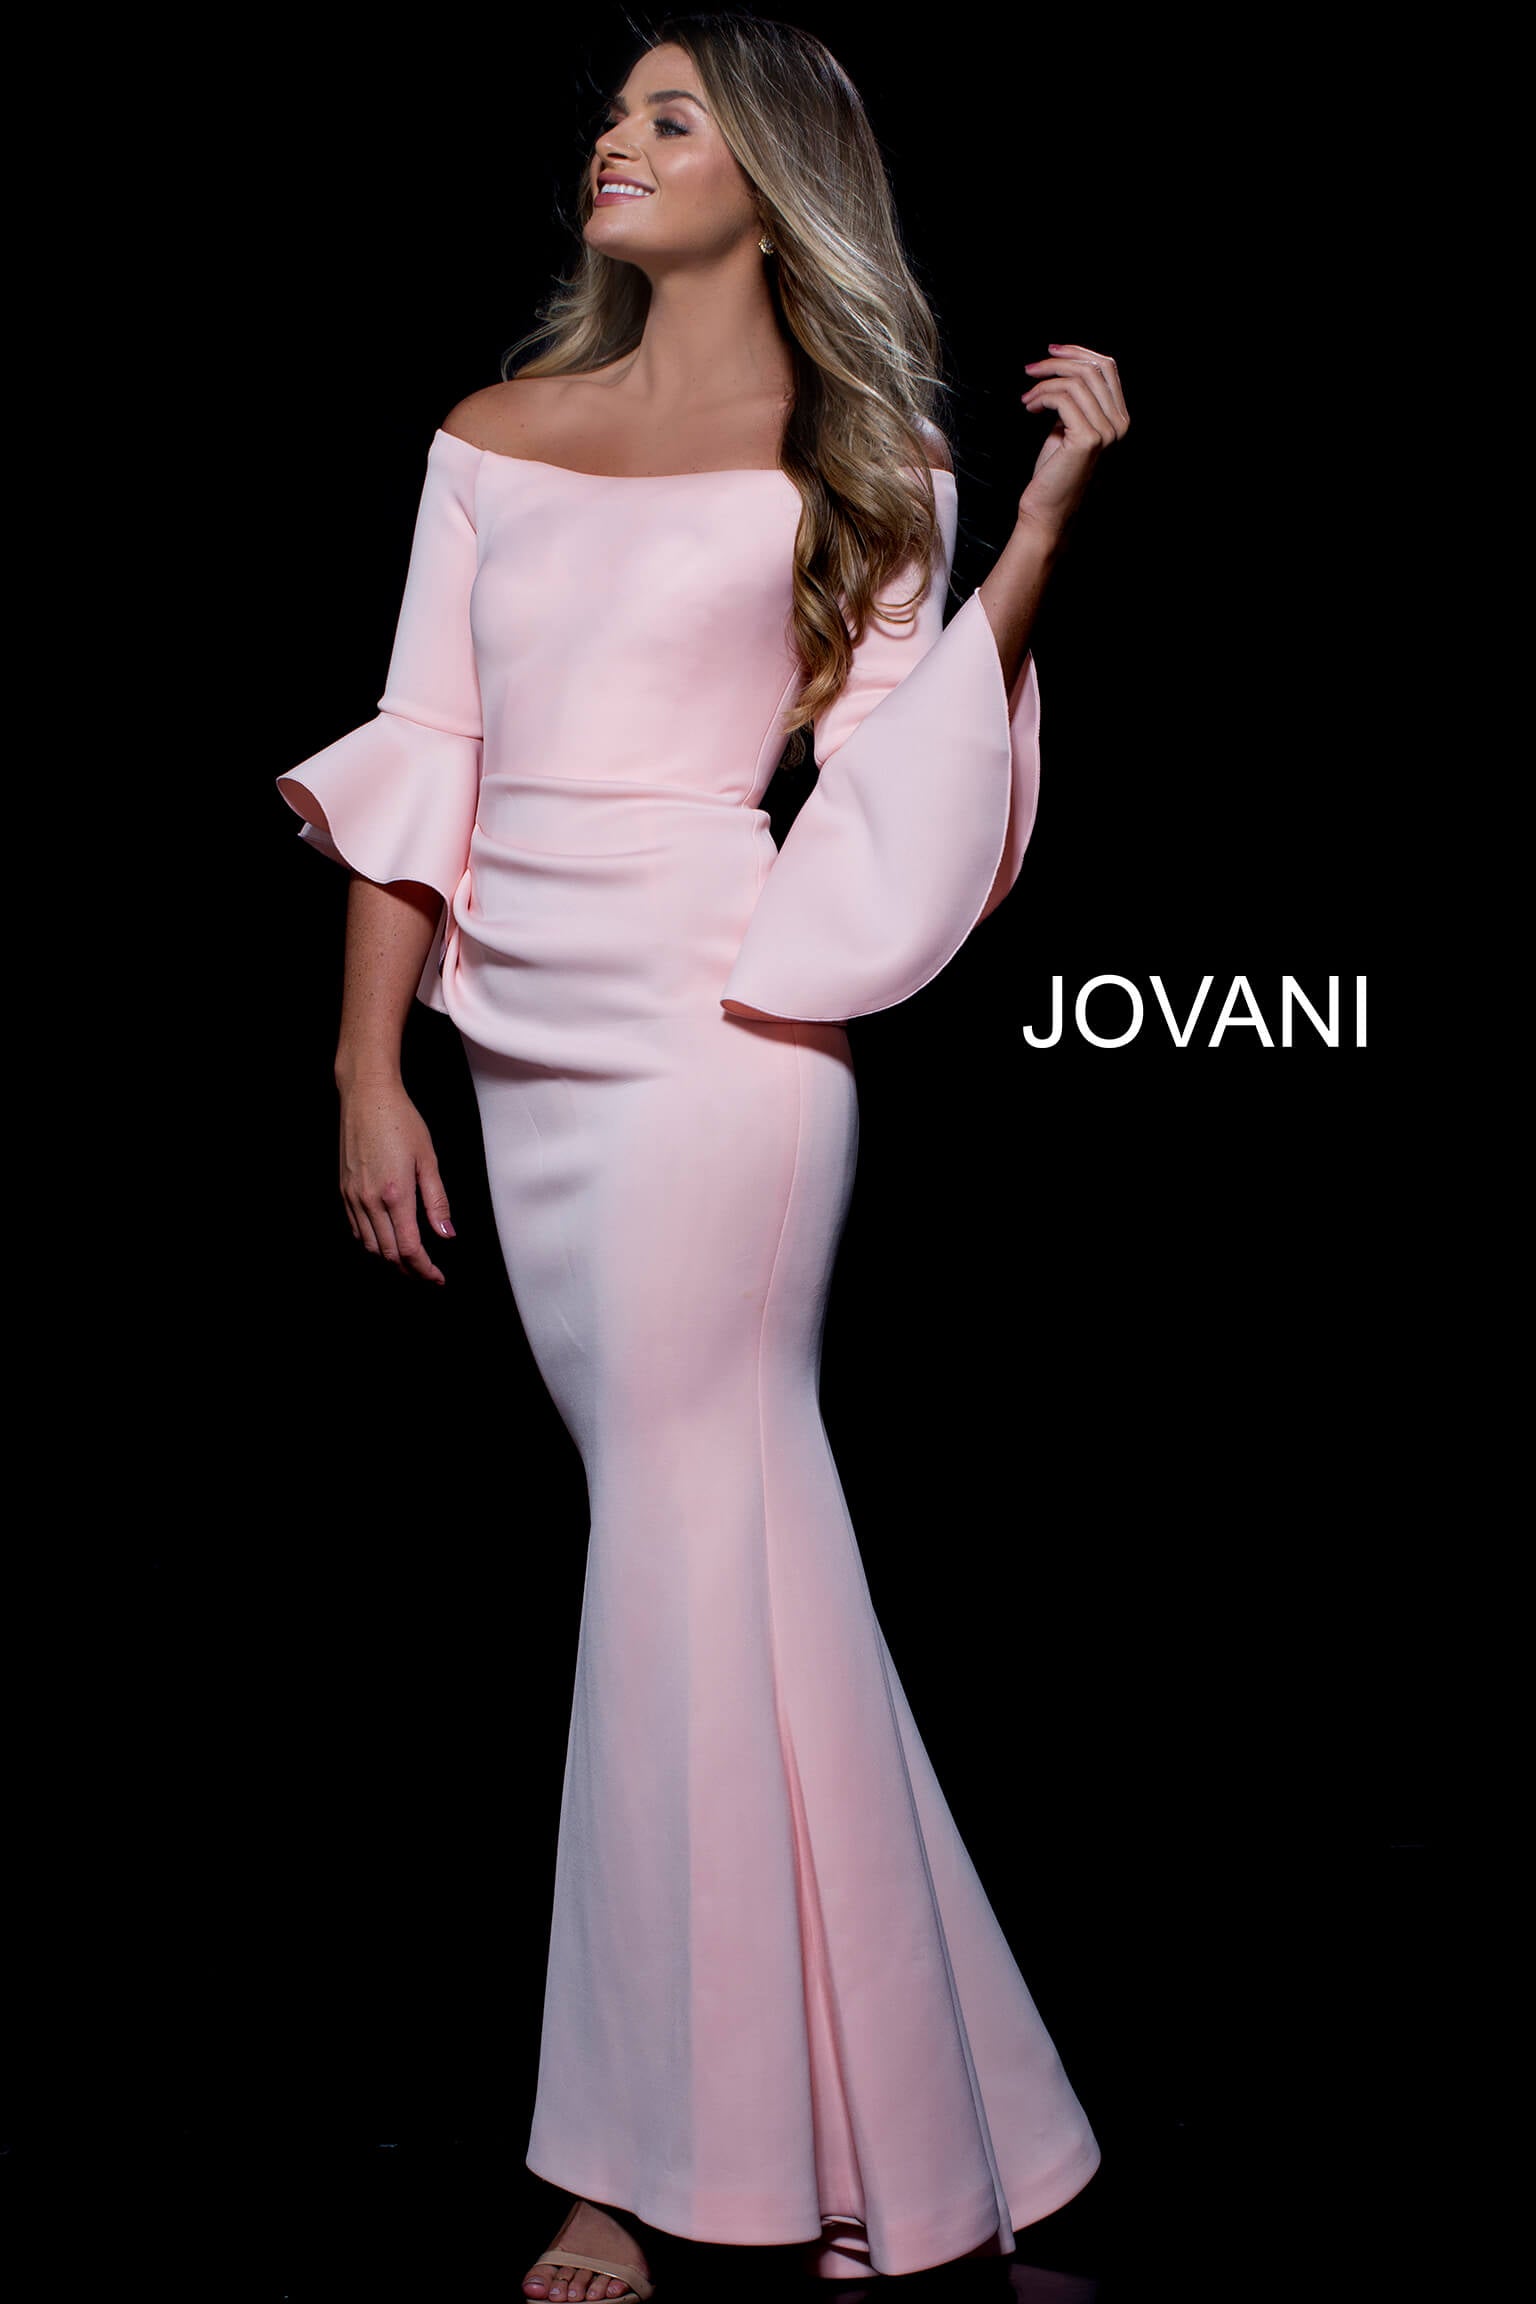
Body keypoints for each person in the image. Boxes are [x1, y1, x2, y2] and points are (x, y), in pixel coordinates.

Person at [276, 13, 1129, 2299]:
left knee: (676, 1544)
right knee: (740, 1564)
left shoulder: (855, 455)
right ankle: (913, 2142)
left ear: (771, 171)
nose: (619, 139)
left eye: (673, 116)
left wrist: (1039, 533)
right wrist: (368, 1069)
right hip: (521, 1050)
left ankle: (626, 2169)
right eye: (618, 112)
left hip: (723, 1038)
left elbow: (913, 770)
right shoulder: (489, 435)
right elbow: (427, 755)